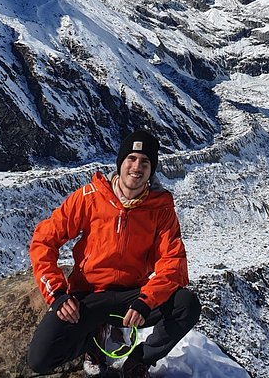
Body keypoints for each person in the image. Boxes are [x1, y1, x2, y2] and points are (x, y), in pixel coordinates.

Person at [27, 130, 201, 377]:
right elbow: (44, 240)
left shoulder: (160, 208)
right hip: (88, 296)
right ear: (120, 163)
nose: (137, 167)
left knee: (187, 304)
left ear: (152, 169)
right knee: (39, 360)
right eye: (131, 158)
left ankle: (139, 359)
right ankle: (90, 341)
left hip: (132, 298)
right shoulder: (90, 197)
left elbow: (173, 263)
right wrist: (56, 293)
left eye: (145, 162)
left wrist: (146, 301)